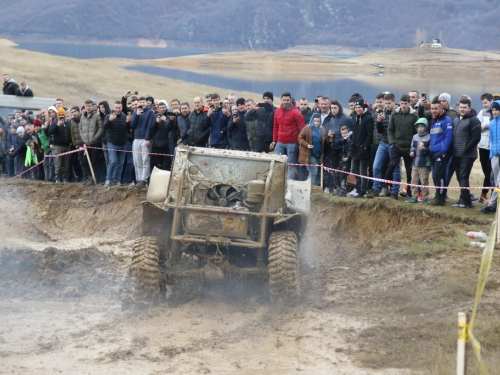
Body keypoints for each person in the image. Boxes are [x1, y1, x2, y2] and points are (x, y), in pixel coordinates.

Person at [381, 94, 418, 199]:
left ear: (409, 103)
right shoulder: (395, 113)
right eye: (402, 104)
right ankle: (385, 186)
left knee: (409, 171)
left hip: (409, 147)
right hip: (396, 146)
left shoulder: (414, 115)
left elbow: (417, 132)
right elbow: (390, 130)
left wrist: (413, 146)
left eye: (405, 104)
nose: (403, 106)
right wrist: (392, 143)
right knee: (391, 165)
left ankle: (409, 193)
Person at [451, 97, 481, 208]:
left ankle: (465, 201)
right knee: (460, 177)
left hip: (468, 155)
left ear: (470, 108)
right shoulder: (456, 118)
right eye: (461, 107)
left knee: (463, 177)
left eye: (464, 107)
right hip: (456, 154)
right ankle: (465, 200)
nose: (462, 109)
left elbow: (476, 138)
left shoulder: (474, 120)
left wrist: (465, 148)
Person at [272, 92, 305, 180]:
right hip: (280, 142)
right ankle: (277, 181)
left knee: (292, 164)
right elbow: (275, 126)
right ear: (281, 100)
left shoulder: (296, 112)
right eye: (284, 100)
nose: (286, 102)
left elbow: (302, 128)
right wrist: (274, 140)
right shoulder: (277, 111)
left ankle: (291, 183)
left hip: (292, 143)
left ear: (290, 100)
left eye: (287, 100)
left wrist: (301, 142)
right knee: (277, 162)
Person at [428, 100, 454, 206]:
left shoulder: (446, 120)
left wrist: (443, 151)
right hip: (433, 152)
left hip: (442, 152)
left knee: (439, 175)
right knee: (435, 176)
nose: (433, 111)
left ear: (441, 108)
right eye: (432, 109)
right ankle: (438, 195)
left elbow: (449, 137)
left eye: (436, 109)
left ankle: (441, 197)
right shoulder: (433, 120)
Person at [349, 99, 373, 198]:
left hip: (364, 149)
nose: (358, 109)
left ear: (363, 107)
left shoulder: (368, 118)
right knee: (353, 169)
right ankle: (358, 187)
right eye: (356, 107)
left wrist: (365, 146)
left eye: (359, 107)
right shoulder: (354, 117)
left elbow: (369, 134)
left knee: (362, 170)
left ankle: (363, 190)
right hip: (354, 148)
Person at [103, 101, 130, 187]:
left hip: (123, 142)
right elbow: (104, 127)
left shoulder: (125, 117)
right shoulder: (108, 116)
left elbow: (128, 129)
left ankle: (117, 180)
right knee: (113, 161)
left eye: (119, 108)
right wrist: (110, 120)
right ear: (113, 108)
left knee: (120, 164)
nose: (118, 109)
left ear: (122, 108)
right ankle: (108, 179)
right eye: (116, 108)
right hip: (112, 142)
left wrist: (128, 122)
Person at [480, 100, 500, 214]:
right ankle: (494, 204)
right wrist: (492, 154)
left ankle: (491, 205)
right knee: (495, 181)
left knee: (498, 181)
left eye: (497, 109)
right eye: (493, 110)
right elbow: (492, 140)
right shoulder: (491, 123)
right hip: (494, 155)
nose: (495, 112)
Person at [130, 97, 155, 188]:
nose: (142, 104)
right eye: (140, 102)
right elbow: (132, 125)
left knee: (145, 160)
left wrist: (147, 138)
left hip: (145, 138)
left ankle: (144, 179)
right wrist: (136, 115)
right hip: (136, 138)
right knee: (137, 160)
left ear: (146, 103)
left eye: (143, 102)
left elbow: (150, 126)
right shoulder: (135, 112)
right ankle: (138, 178)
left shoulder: (150, 113)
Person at [406, 118, 431, 204]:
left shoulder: (429, 137)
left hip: (425, 163)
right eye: (418, 127)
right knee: (414, 181)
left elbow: (431, 149)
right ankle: (414, 197)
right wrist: (412, 152)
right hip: (415, 163)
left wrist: (425, 149)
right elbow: (412, 146)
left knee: (424, 181)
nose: (420, 128)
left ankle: (425, 198)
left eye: (422, 127)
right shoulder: (415, 136)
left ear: (426, 127)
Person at [298, 113, 326, 185]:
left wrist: (330, 137)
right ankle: (309, 188)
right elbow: (300, 138)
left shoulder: (322, 129)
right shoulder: (307, 128)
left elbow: (324, 141)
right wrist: (307, 145)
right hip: (309, 154)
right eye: (315, 121)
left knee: (313, 172)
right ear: (312, 120)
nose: (316, 123)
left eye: (318, 121)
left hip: (318, 154)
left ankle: (308, 187)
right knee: (314, 172)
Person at [477, 93, 493, 203]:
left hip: (493, 147)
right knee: (486, 172)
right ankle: (488, 194)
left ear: (492, 101)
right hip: (483, 146)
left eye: (486, 103)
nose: (484, 105)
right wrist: (486, 126)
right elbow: (477, 126)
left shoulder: (497, 112)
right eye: (483, 103)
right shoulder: (482, 112)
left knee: (490, 172)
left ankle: (484, 194)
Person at [49, 107, 72, 183]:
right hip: (58, 146)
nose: (61, 116)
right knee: (58, 163)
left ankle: (65, 177)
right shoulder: (54, 123)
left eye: (62, 114)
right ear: (57, 115)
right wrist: (57, 125)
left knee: (66, 163)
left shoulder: (68, 123)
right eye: (59, 115)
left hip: (67, 145)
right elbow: (51, 132)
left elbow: (70, 133)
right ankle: (57, 178)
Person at [338, 126, 352, 197]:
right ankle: (340, 188)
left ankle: (344, 189)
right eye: (342, 133)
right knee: (338, 172)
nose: (344, 135)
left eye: (345, 133)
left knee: (343, 173)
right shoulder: (343, 140)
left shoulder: (350, 138)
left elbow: (350, 149)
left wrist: (348, 157)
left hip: (349, 159)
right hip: (343, 158)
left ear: (348, 132)